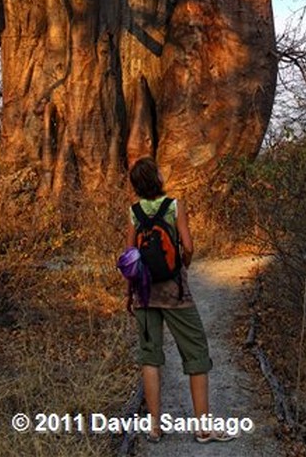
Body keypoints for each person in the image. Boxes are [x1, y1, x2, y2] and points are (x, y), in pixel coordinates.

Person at [125, 156, 233, 444]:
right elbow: (189, 246)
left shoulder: (134, 211)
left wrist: (134, 287)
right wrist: (181, 266)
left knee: (150, 356)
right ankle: (203, 427)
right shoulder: (174, 206)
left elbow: (128, 255)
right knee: (196, 351)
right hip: (174, 292)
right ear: (157, 179)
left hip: (144, 295)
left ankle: (155, 428)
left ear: (136, 184)